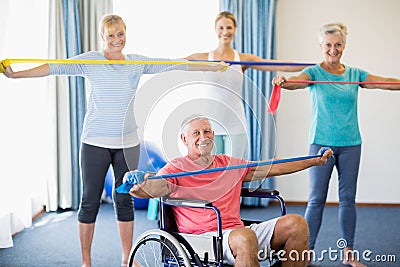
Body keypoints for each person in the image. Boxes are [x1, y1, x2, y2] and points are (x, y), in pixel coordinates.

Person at [2, 14, 226, 267]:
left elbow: (174, 64)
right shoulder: (91, 61)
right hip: (94, 142)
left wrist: (210, 66)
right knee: (89, 202)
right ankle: (86, 261)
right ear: (102, 37)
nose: (117, 40)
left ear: (125, 34)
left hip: (127, 143)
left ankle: (126, 258)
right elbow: (54, 67)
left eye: (120, 34)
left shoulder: (135, 63)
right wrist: (16, 75)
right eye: (111, 35)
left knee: (124, 200)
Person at [272, 22, 400, 267]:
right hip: (321, 144)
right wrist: (284, 81)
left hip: (351, 143)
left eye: (338, 44)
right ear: (321, 46)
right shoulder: (314, 73)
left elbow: (384, 82)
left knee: (348, 199)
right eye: (328, 45)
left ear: (344, 45)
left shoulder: (355, 74)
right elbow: (296, 82)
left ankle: (348, 252)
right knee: (316, 200)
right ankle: (306, 252)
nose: (333, 49)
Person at [128, 115, 333, 267]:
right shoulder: (177, 167)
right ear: (184, 139)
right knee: (244, 237)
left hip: (236, 232)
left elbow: (272, 167)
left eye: (207, 131)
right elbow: (155, 187)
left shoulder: (228, 164)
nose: (203, 137)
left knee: (296, 224)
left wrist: (314, 160)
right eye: (196, 133)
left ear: (213, 135)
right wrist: (139, 186)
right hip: (202, 239)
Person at [184, 11, 308, 158]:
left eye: (229, 28)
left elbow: (275, 64)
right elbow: (175, 65)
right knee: (213, 172)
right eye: (221, 28)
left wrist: (313, 66)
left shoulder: (242, 59)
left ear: (235, 29)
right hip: (211, 125)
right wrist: (150, 65)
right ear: (215, 29)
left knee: (235, 171)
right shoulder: (204, 58)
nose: (225, 32)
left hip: (236, 124)